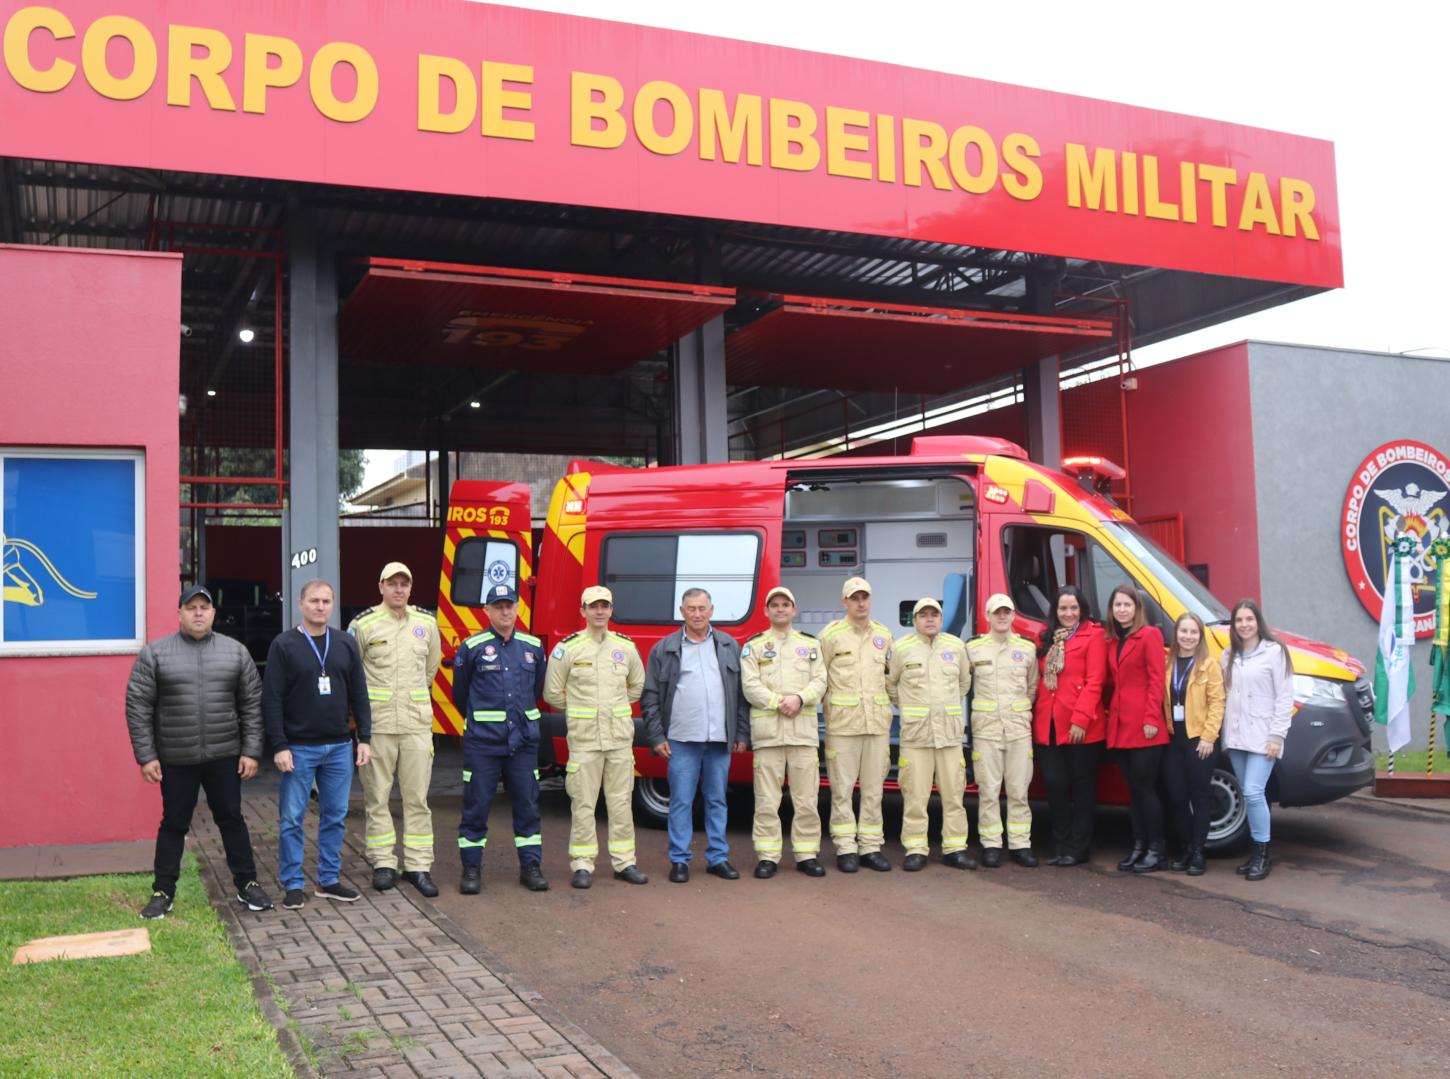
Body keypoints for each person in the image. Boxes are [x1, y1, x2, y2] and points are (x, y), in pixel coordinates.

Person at [125, 585, 272, 919]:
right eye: (191, 607)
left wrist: (251, 751)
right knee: (174, 824)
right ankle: (163, 892)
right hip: (176, 758)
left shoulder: (235, 653)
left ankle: (247, 885)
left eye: (204, 607)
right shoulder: (155, 654)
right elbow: (138, 706)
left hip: (224, 756)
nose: (198, 613)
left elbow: (252, 705)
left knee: (232, 820)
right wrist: (146, 756)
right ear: (179, 612)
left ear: (213, 614)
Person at [262, 580, 372, 910]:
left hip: (339, 746)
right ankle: (293, 884)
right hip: (298, 747)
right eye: (314, 601)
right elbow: (272, 699)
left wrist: (364, 738)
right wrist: (279, 745)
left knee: (335, 816)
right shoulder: (284, 645)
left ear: (333, 605)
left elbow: (360, 693)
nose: (320, 606)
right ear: (301, 604)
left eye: (326, 601)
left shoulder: (345, 644)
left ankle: (328, 880)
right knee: (292, 818)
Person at [543, 586, 648, 890]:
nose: (599, 612)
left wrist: (611, 711)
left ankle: (625, 862)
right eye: (593, 607)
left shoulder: (625, 648)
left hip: (618, 739)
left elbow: (636, 687)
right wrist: (581, 710)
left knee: (620, 803)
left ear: (612, 610)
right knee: (583, 803)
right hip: (585, 739)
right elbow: (552, 692)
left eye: (605, 606)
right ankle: (582, 864)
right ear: (583, 611)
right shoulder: (568, 648)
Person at [643, 588, 750, 883]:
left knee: (717, 799)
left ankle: (718, 858)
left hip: (719, 740)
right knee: (681, 801)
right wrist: (656, 737)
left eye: (702, 608)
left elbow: (741, 696)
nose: (697, 614)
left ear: (712, 610)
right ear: (682, 611)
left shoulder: (729, 646)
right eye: (691, 608)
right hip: (680, 739)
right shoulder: (664, 649)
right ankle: (679, 860)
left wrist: (741, 732)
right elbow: (650, 696)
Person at [349, 561, 442, 898]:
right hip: (379, 726)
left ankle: (418, 865)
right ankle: (383, 863)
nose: (399, 589)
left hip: (416, 726)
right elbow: (353, 675)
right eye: (392, 583)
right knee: (377, 799)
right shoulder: (363, 625)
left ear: (410, 588)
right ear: (381, 587)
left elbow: (430, 669)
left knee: (418, 799)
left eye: (405, 583)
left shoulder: (427, 624)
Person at [452, 582, 550, 894]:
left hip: (522, 743)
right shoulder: (472, 648)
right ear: (487, 610)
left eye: (509, 605)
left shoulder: (533, 647)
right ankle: (471, 868)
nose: (505, 611)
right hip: (483, 742)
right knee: (476, 806)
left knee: (528, 805)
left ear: (518, 607)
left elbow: (536, 691)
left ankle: (531, 866)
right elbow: (460, 695)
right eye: (498, 606)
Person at [739, 586, 828, 878]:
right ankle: (767, 855)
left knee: (806, 799)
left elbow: (820, 681)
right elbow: (750, 686)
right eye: (774, 605)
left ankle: (806, 854)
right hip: (768, 735)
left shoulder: (811, 645)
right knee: (766, 799)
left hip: (802, 734)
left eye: (785, 604)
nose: (780, 609)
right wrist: (780, 702)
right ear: (766, 611)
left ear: (794, 610)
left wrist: (800, 699)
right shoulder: (754, 646)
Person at [886, 597, 975, 871]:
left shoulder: (956, 647)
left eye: (934, 614)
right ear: (914, 621)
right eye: (923, 615)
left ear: (940, 618)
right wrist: (912, 710)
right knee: (915, 796)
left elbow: (963, 683)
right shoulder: (901, 648)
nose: (929, 619)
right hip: (916, 736)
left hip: (948, 736)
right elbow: (890, 685)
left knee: (954, 796)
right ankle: (915, 848)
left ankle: (955, 848)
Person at [819, 577, 896, 873]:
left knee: (875, 789)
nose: (861, 603)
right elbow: (820, 678)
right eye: (855, 598)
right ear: (844, 602)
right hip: (843, 726)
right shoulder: (831, 635)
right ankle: (846, 847)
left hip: (876, 725)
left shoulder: (884, 635)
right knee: (842, 790)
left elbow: (889, 678)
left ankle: (870, 847)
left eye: (865, 597)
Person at [1032, 586, 1108, 867]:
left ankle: (1079, 848)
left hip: (1081, 726)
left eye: (1073, 608)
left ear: (1082, 609)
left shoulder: (1094, 634)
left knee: (1082, 788)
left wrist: (1080, 719)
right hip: (1048, 723)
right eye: (1063, 608)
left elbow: (1095, 680)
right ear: (1056, 611)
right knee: (1054, 785)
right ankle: (1061, 845)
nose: (1068, 613)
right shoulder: (1047, 637)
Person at [1220, 599, 1294, 881]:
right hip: (1237, 737)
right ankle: (1254, 852)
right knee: (1249, 795)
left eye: (1249, 619)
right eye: (1239, 620)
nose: (1244, 625)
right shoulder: (1228, 655)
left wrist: (1277, 736)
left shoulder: (1275, 652)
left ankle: (1262, 853)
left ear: (1258, 621)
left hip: (1264, 737)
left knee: (1253, 791)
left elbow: (1285, 697)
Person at [967, 594, 1039, 868]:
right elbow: (964, 683)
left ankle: (1020, 844)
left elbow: (1032, 687)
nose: (1002, 617)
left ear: (1012, 615)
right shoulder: (974, 649)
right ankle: (991, 844)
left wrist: (1019, 712)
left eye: (1006, 612)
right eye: (996, 612)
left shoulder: (1027, 649)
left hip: (1018, 729)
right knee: (988, 789)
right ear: (987, 616)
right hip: (986, 730)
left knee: (1020, 790)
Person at [1105, 584, 1168, 874]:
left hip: (1145, 726)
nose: (1122, 609)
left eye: (1127, 605)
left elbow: (1157, 680)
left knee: (1146, 790)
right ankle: (1139, 847)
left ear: (1137, 608)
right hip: (1121, 726)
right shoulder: (1113, 640)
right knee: (1133, 791)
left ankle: (1157, 850)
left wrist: (1152, 719)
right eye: (1117, 605)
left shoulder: (1150, 635)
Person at [1162, 611, 1225, 875]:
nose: (1188, 637)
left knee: (1199, 797)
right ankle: (1186, 848)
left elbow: (1217, 702)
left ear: (1200, 636)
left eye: (1193, 632)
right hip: (1173, 738)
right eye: (1183, 631)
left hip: (1200, 740)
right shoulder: (1168, 660)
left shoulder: (1209, 664)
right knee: (1176, 797)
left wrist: (1209, 737)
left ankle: (1199, 851)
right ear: (1176, 634)